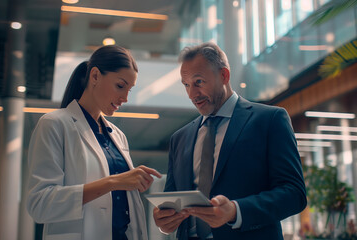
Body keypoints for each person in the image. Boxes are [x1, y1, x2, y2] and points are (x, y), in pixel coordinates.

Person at [153, 42, 307, 240]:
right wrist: (165, 222)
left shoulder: (270, 120)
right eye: (186, 85)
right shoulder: (179, 138)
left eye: (199, 82)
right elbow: (173, 203)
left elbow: (294, 194)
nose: (192, 94)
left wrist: (235, 211)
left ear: (224, 75)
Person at [26, 45, 162, 240]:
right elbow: (39, 204)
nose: (124, 98)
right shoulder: (54, 124)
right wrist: (114, 182)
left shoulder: (118, 135)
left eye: (129, 90)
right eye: (120, 86)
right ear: (95, 76)